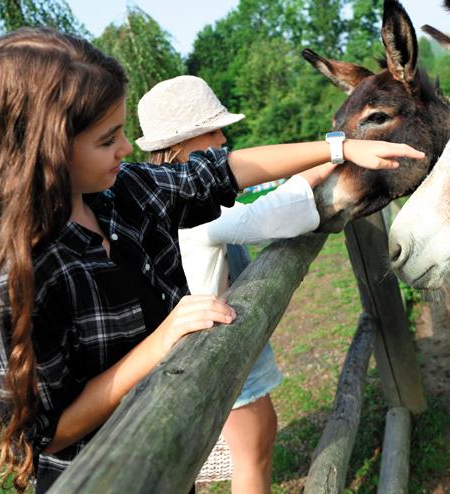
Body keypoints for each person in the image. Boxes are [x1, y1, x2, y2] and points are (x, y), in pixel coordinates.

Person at [0, 27, 424, 494]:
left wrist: (339, 148)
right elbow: (45, 434)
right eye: (107, 140)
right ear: (45, 149)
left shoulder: (120, 195)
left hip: (167, 452)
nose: (125, 149)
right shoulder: (16, 277)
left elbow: (217, 174)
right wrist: (162, 343)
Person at [136, 76, 336, 493]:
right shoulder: (183, 205)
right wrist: (318, 171)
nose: (223, 137)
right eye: (212, 130)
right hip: (216, 343)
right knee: (253, 450)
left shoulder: (157, 199)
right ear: (181, 143)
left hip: (209, 340)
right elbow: (257, 220)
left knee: (256, 440)